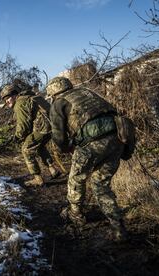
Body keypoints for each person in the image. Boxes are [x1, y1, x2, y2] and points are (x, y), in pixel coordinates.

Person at [47, 76, 127, 240]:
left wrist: (66, 148)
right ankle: (118, 228)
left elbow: (58, 136)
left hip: (92, 142)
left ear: (53, 93)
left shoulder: (58, 103)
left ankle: (76, 214)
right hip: (118, 138)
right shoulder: (87, 92)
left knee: (76, 178)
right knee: (100, 184)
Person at [0, 82, 61, 186]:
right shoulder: (31, 97)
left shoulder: (20, 103)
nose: (6, 102)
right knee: (39, 145)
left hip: (43, 129)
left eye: (8, 98)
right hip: (54, 127)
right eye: (5, 100)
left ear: (14, 95)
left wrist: (17, 137)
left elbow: (23, 127)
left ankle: (38, 179)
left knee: (26, 149)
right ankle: (53, 169)